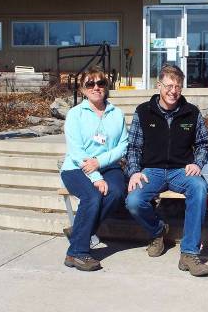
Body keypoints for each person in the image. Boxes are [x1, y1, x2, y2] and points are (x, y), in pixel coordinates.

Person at [125, 64, 208, 277]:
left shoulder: (191, 112)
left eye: (178, 86)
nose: (173, 91)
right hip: (151, 170)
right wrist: (134, 171)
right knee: (134, 201)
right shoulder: (143, 111)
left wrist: (197, 163)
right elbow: (134, 146)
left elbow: (203, 143)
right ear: (159, 86)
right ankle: (157, 232)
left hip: (180, 170)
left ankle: (189, 253)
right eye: (169, 86)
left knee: (199, 188)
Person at [60, 66, 128, 271]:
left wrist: (100, 162)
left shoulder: (116, 113)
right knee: (92, 196)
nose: (96, 87)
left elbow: (123, 145)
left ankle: (79, 230)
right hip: (75, 168)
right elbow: (76, 151)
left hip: (108, 166)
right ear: (82, 89)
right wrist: (96, 176)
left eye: (101, 83)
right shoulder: (75, 114)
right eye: (90, 83)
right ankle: (77, 252)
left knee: (116, 192)